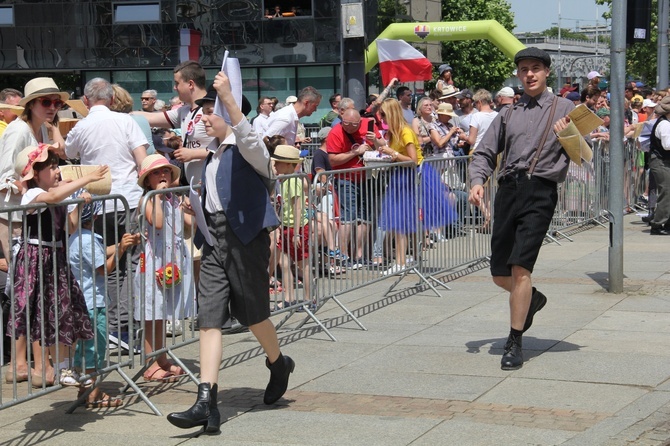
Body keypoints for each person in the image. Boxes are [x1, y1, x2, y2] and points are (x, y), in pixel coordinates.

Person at [167, 71, 294, 433]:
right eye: (204, 111)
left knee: (254, 314)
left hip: (246, 239)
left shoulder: (246, 147)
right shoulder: (210, 157)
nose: (204, 117)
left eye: (211, 111)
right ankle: (206, 401)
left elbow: (249, 137)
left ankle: (278, 362)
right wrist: (200, 210)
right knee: (209, 318)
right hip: (214, 240)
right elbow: (215, 197)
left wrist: (230, 102)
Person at [468, 47, 581, 371]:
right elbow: (485, 152)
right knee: (499, 273)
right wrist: (478, 180)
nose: (529, 74)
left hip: (540, 191)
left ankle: (514, 342)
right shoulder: (509, 113)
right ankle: (532, 298)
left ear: (547, 72)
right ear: (518, 75)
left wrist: (569, 134)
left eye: (535, 68)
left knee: (520, 269)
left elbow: (583, 156)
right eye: (524, 69)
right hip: (508, 190)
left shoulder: (565, 108)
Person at [9, 143, 108, 387]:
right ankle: (42, 366)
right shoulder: (32, 194)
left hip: (56, 257)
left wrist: (79, 205)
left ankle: (64, 368)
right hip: (36, 259)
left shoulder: (58, 195)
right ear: (35, 173)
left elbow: (70, 227)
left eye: (57, 167)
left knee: (64, 312)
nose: (57, 172)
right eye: (51, 168)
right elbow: (52, 197)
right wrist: (87, 178)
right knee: (43, 314)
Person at [64, 77, 149, 351]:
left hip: (100, 203)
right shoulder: (126, 122)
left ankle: (116, 327)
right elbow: (142, 160)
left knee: (108, 264)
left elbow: (69, 152)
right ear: (112, 99)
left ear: (86, 101)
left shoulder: (83, 125)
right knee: (130, 263)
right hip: (129, 200)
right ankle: (126, 327)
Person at [0, 77, 68, 382]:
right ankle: (23, 364)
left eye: (57, 102)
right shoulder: (17, 130)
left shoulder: (39, 128)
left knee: (27, 290)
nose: (53, 107)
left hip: (29, 217)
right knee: (26, 290)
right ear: (30, 104)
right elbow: (3, 174)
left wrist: (53, 129)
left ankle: (21, 363)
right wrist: (22, 187)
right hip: (15, 218)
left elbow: (61, 154)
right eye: (46, 102)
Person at [374, 99, 457, 276]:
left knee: (401, 221)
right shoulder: (394, 132)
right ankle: (408, 259)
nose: (381, 118)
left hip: (411, 177)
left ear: (391, 114)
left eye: (383, 114)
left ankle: (401, 261)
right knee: (405, 221)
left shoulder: (405, 132)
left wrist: (392, 153)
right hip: (402, 176)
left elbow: (412, 159)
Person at [69, 196, 138, 407]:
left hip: (84, 302)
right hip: (91, 303)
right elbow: (105, 268)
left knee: (85, 349)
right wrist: (122, 250)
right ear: (96, 216)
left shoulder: (78, 237)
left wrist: (120, 244)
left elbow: (100, 253)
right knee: (95, 349)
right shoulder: (87, 240)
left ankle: (84, 390)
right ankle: (93, 394)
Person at [134, 154, 194, 380]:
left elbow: (188, 227)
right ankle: (150, 363)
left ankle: (162, 357)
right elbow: (157, 222)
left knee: (163, 313)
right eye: (157, 173)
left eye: (166, 172)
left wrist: (190, 209)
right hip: (154, 261)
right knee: (152, 313)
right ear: (147, 180)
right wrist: (158, 196)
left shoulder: (173, 200)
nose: (163, 176)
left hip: (172, 260)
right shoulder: (148, 201)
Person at [134, 60, 213, 185]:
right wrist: (121, 115)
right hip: (194, 189)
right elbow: (149, 118)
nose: (174, 87)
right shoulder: (184, 111)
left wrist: (193, 154)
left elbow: (227, 148)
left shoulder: (213, 110)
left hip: (211, 185)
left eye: (177, 83)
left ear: (190, 84)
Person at [273, 145, 312, 306]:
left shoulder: (294, 180)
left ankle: (310, 299)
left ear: (289, 164)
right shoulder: (285, 179)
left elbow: (297, 207)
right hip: (286, 226)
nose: (275, 165)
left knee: (303, 264)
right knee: (283, 262)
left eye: (278, 163)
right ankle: (289, 298)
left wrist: (296, 233)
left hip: (297, 228)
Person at [110, 84, 156, 155]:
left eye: (146, 99)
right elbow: (149, 151)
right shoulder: (140, 118)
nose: (143, 101)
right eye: (142, 99)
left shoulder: (138, 119)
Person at [648, 96, 670, 235]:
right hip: (661, 161)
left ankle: (666, 222)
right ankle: (658, 223)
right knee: (666, 192)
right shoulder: (665, 124)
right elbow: (667, 146)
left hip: (663, 161)